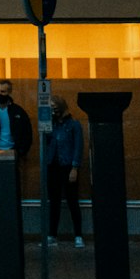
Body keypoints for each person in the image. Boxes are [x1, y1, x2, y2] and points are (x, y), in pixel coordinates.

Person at [46, 96, 85, 247]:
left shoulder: (73, 125)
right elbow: (45, 139)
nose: (53, 111)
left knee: (72, 200)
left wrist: (74, 167)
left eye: (54, 107)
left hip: (67, 165)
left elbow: (78, 147)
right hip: (54, 166)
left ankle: (78, 235)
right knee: (54, 201)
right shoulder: (52, 125)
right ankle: (52, 234)